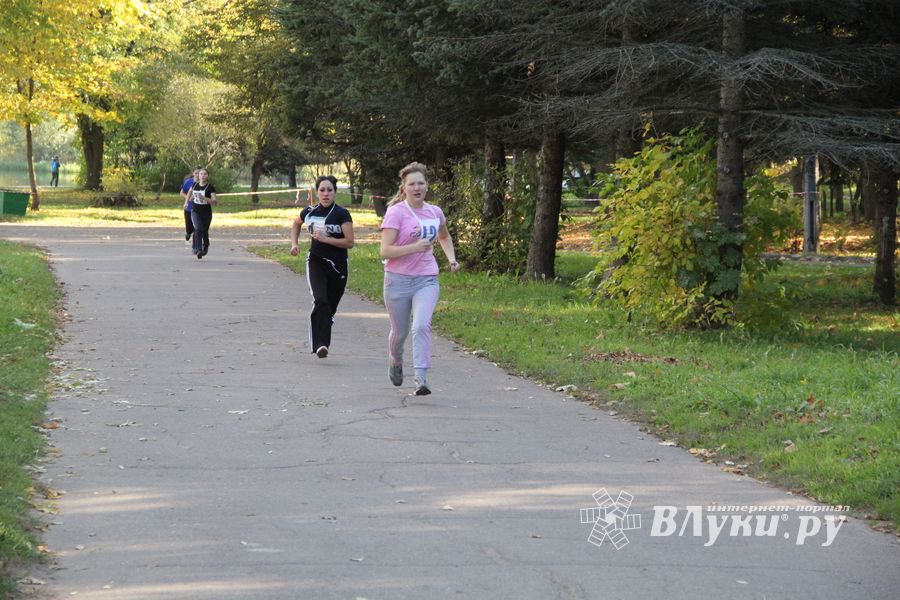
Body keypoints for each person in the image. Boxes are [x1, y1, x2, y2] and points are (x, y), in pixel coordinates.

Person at [379, 162, 459, 395]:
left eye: (420, 183)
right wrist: (414, 247)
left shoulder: (435, 212)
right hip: (397, 280)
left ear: (427, 186)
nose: (417, 187)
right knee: (400, 333)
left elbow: (444, 236)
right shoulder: (396, 212)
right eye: (412, 184)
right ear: (404, 187)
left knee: (421, 325)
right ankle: (395, 359)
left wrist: (451, 258)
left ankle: (420, 378)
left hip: (427, 278)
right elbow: (385, 251)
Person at [290, 176, 355, 358]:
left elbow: (349, 242)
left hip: (338, 266)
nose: (326, 194)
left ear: (335, 192)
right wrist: (294, 244)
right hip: (316, 261)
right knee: (320, 300)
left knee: (330, 308)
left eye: (330, 190)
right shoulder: (310, 211)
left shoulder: (342, 214)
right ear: (317, 192)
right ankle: (320, 344)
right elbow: (296, 223)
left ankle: (325, 325)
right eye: (322, 190)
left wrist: (327, 239)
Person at [186, 168, 218, 259]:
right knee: (198, 228)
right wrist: (187, 201)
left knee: (204, 231)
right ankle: (199, 249)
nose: (202, 176)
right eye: (201, 174)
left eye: (205, 174)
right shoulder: (195, 185)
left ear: (207, 176)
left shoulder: (210, 187)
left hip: (206, 212)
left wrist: (204, 198)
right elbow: (189, 192)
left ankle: (206, 246)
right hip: (195, 211)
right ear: (198, 175)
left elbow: (215, 202)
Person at [179, 167, 200, 242]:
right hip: (188, 207)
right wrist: (188, 198)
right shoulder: (188, 182)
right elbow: (181, 193)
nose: (198, 175)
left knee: (197, 228)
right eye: (196, 173)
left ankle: (195, 246)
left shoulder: (204, 182)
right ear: (193, 173)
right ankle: (188, 233)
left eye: (199, 173)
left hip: (198, 208)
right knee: (189, 226)